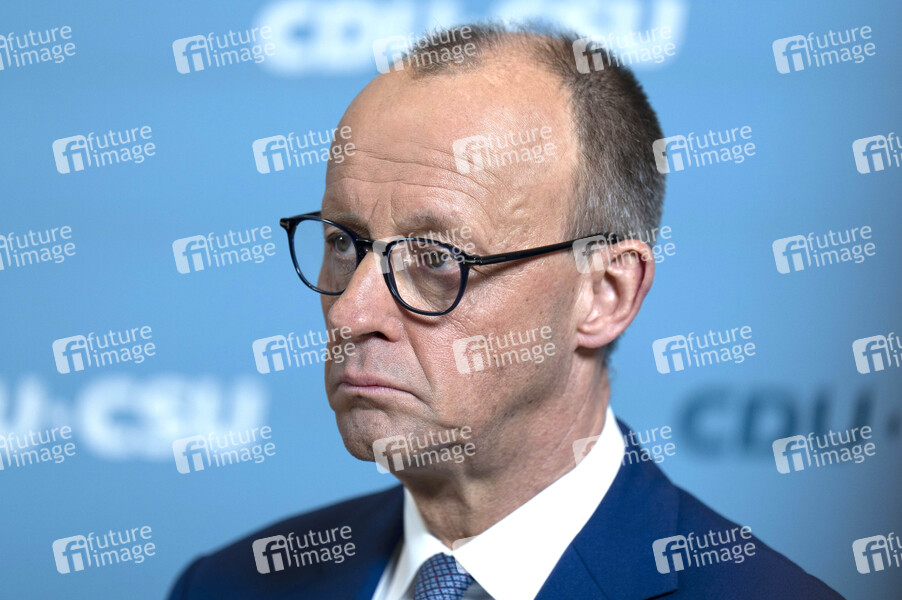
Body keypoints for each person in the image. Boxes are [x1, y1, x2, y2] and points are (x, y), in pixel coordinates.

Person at [169, 24, 844, 599]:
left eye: (436, 257)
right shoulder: (228, 585)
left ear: (605, 293)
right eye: (344, 243)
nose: (351, 313)